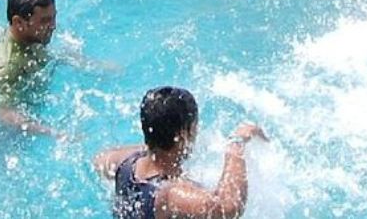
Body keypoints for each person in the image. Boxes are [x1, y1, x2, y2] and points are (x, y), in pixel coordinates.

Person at [93, 87, 266, 219]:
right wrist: (236, 144)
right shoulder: (169, 194)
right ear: (184, 134)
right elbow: (229, 207)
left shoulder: (123, 162)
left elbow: (99, 160)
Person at [0, 0, 63, 135]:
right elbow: (1, 112)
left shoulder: (31, 36)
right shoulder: (7, 67)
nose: (53, 26)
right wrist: (53, 132)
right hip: (7, 137)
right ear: (19, 22)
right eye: (45, 21)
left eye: (54, 18)